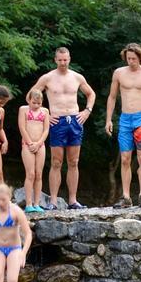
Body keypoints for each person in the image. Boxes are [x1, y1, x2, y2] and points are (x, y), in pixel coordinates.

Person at [29, 47, 96, 211]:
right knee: (56, 162)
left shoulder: (77, 77)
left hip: (74, 119)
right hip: (56, 120)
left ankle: (73, 200)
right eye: (60, 60)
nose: (63, 63)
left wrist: (87, 111)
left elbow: (91, 94)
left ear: (69, 59)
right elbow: (31, 95)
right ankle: (53, 201)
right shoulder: (47, 78)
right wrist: (44, 114)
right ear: (55, 60)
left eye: (65, 60)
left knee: (74, 162)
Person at [105, 43, 141, 208]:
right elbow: (112, 97)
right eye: (128, 58)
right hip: (125, 119)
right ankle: (126, 197)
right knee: (125, 158)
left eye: (134, 58)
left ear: (140, 57)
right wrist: (108, 119)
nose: (131, 61)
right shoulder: (119, 73)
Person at [18, 89, 49, 212]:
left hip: (40, 145)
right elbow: (22, 127)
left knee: (39, 174)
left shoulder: (45, 111)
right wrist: (30, 143)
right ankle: (29, 204)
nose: (36, 105)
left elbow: (46, 129)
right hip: (27, 144)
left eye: (39, 103)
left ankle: (37, 203)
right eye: (34, 103)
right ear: (29, 100)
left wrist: (39, 143)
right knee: (30, 174)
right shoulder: (23, 109)